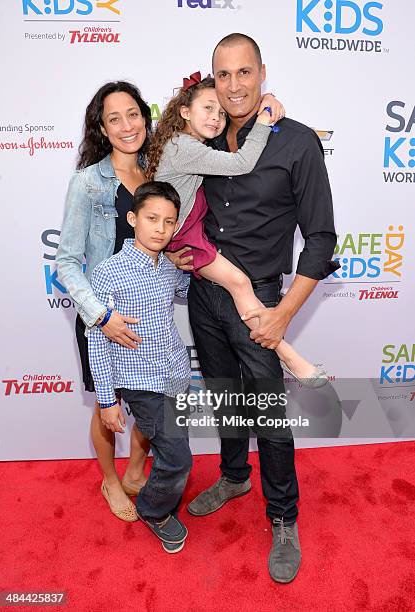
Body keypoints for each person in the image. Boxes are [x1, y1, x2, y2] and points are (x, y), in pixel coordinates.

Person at [171, 34, 340, 583]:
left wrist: (285, 312)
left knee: (268, 412)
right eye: (224, 75)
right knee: (224, 396)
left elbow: (320, 238)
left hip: (263, 298)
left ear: (262, 73)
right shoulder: (206, 135)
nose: (235, 85)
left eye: (245, 73)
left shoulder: (296, 143)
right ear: (211, 81)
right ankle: (234, 475)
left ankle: (284, 516)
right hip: (203, 291)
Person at [148, 73, 327, 386]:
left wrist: (264, 107)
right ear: (185, 112)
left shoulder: (191, 144)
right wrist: (265, 119)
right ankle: (287, 354)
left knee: (239, 287)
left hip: (191, 232)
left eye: (220, 112)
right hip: (186, 235)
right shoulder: (184, 148)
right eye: (207, 109)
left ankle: (287, 356)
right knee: (241, 284)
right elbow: (241, 163)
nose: (216, 118)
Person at [56, 82, 152, 522]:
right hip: (102, 316)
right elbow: (67, 263)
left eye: (133, 114)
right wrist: (101, 316)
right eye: (114, 118)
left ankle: (135, 468)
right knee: (106, 405)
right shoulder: (88, 182)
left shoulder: (157, 172)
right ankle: (110, 480)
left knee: (152, 396)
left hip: (149, 309)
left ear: (145, 117)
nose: (126, 125)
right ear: (102, 127)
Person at [88, 181, 192, 554]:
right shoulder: (108, 272)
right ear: (133, 218)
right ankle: (154, 510)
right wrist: (106, 400)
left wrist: (190, 268)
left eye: (169, 221)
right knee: (179, 458)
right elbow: (97, 340)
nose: (160, 228)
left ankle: (146, 486)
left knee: (171, 450)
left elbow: (184, 290)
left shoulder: (166, 268)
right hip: (140, 381)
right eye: (152, 218)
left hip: (176, 373)